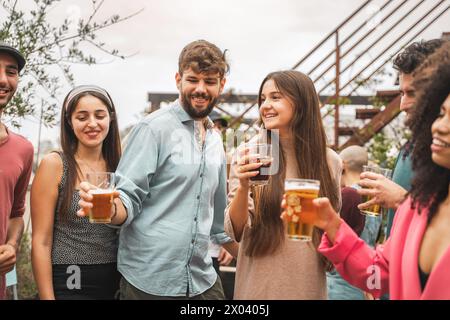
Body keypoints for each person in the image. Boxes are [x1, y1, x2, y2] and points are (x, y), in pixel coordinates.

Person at [78, 40, 237, 300]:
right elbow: (127, 199)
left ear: (221, 85)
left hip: (203, 282)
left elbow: (218, 221)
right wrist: (106, 209)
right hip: (148, 283)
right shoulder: (152, 130)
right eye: (192, 79)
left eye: (209, 81)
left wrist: (263, 261)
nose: (200, 89)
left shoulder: (215, 139)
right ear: (178, 80)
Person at [308, 41, 450, 299]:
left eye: (414, 93)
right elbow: (379, 273)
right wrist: (332, 224)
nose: (440, 126)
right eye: (442, 113)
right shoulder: (418, 205)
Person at [225, 70, 342, 299]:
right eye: (263, 99)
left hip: (308, 287)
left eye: (275, 97)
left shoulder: (330, 161)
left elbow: (333, 231)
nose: (265, 105)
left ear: (301, 102)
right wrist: (243, 186)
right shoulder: (249, 154)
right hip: (258, 290)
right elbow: (234, 230)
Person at [31, 85, 122, 299]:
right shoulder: (55, 164)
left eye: (99, 116)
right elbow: (40, 242)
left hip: (116, 278)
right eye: (82, 117)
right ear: (69, 122)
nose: (92, 123)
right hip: (71, 275)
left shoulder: (121, 165)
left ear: (111, 118)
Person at [358, 39, 443, 238]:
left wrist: (401, 200)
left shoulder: (443, 151)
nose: (403, 105)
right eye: (402, 93)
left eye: (412, 93)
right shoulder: (409, 149)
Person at [0, 43, 33, 300]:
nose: (3, 80)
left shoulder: (23, 149)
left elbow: (16, 214)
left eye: (11, 72)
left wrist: (12, 246)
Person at [327, 145, 381, 300]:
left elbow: (332, 240)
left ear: (342, 164)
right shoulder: (374, 199)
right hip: (363, 283)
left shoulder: (348, 196)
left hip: (339, 286)